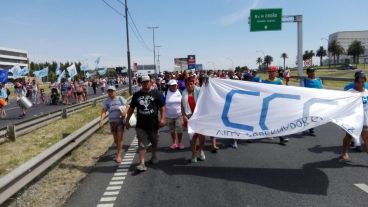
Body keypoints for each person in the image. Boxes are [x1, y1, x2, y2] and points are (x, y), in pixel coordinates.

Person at [125, 75, 166, 172]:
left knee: (154, 142)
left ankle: (154, 156)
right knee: (142, 144)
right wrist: (127, 120)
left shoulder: (157, 93)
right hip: (141, 125)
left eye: (147, 81)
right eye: (144, 82)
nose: (146, 83)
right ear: (141, 83)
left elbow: (162, 107)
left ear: (151, 82)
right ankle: (142, 163)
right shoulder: (136, 95)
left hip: (154, 124)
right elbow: (131, 109)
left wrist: (163, 118)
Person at [340, 72, 368, 161]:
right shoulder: (349, 93)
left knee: (366, 138)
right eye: (358, 82)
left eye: (363, 82)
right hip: (353, 119)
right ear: (355, 82)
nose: (361, 84)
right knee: (349, 136)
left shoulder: (367, 92)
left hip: (365, 119)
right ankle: (344, 153)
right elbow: (343, 106)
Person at [100, 85, 128, 163]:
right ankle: (119, 147)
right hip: (112, 122)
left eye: (112, 91)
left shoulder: (120, 98)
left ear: (115, 92)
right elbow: (103, 111)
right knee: (116, 139)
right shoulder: (106, 101)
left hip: (120, 121)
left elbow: (127, 106)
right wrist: (101, 120)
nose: (110, 93)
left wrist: (125, 112)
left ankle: (119, 155)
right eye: (109, 91)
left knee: (119, 138)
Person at [262, 66, 288, 144]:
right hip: (267, 104)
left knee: (278, 119)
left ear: (276, 72)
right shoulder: (265, 82)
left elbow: (283, 91)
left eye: (273, 72)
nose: (272, 73)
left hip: (277, 103)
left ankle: (281, 137)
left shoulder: (279, 81)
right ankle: (268, 133)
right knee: (269, 119)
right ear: (268, 73)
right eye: (270, 72)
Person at [182, 77, 205, 163]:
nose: (189, 86)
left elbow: (207, 89)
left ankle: (201, 150)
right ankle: (194, 154)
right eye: (187, 84)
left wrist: (207, 81)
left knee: (201, 136)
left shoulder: (200, 90)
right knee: (192, 137)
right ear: (185, 85)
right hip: (190, 117)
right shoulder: (183, 93)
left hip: (200, 117)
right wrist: (184, 115)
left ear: (194, 83)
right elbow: (182, 106)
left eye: (191, 84)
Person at [301, 67, 324, 136]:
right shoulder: (304, 80)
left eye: (313, 71)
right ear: (307, 73)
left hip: (317, 101)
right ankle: (311, 129)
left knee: (314, 114)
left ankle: (310, 127)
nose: (312, 73)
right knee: (308, 114)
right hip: (307, 101)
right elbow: (301, 90)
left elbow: (322, 89)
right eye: (310, 72)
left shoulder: (319, 80)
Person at [165, 79, 185, 150]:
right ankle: (174, 143)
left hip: (179, 115)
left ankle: (179, 142)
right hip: (169, 116)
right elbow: (163, 105)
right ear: (169, 86)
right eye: (172, 86)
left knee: (179, 130)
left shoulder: (180, 92)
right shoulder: (165, 93)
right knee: (172, 130)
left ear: (177, 85)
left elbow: (183, 104)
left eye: (175, 85)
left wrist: (184, 114)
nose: (174, 87)